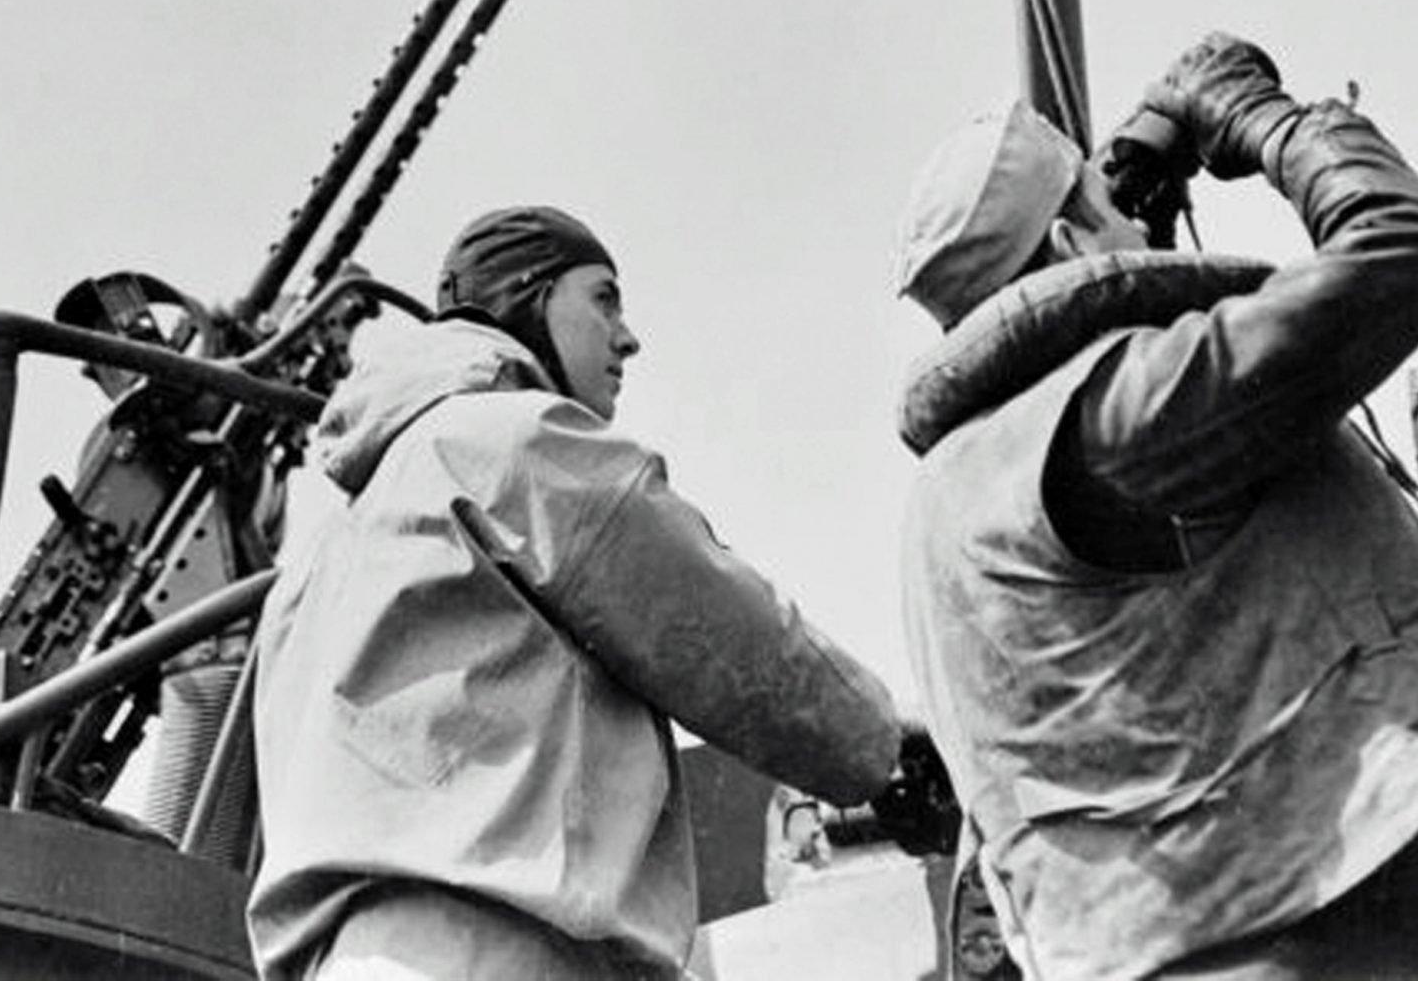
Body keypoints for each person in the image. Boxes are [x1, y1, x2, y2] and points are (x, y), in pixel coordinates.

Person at [893, 34, 1418, 981]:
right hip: (1291, 942)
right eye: (1111, 213)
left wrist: (1111, 202)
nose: (1138, 231)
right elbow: (1406, 245)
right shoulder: (1130, 411)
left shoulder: (954, 483)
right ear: (1065, 244)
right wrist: (1256, 119)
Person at [249, 203, 919, 980]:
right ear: (528, 296)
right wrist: (886, 751)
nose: (627, 335)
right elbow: (728, 636)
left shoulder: (312, 565)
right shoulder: (515, 442)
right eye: (603, 298)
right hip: (501, 956)